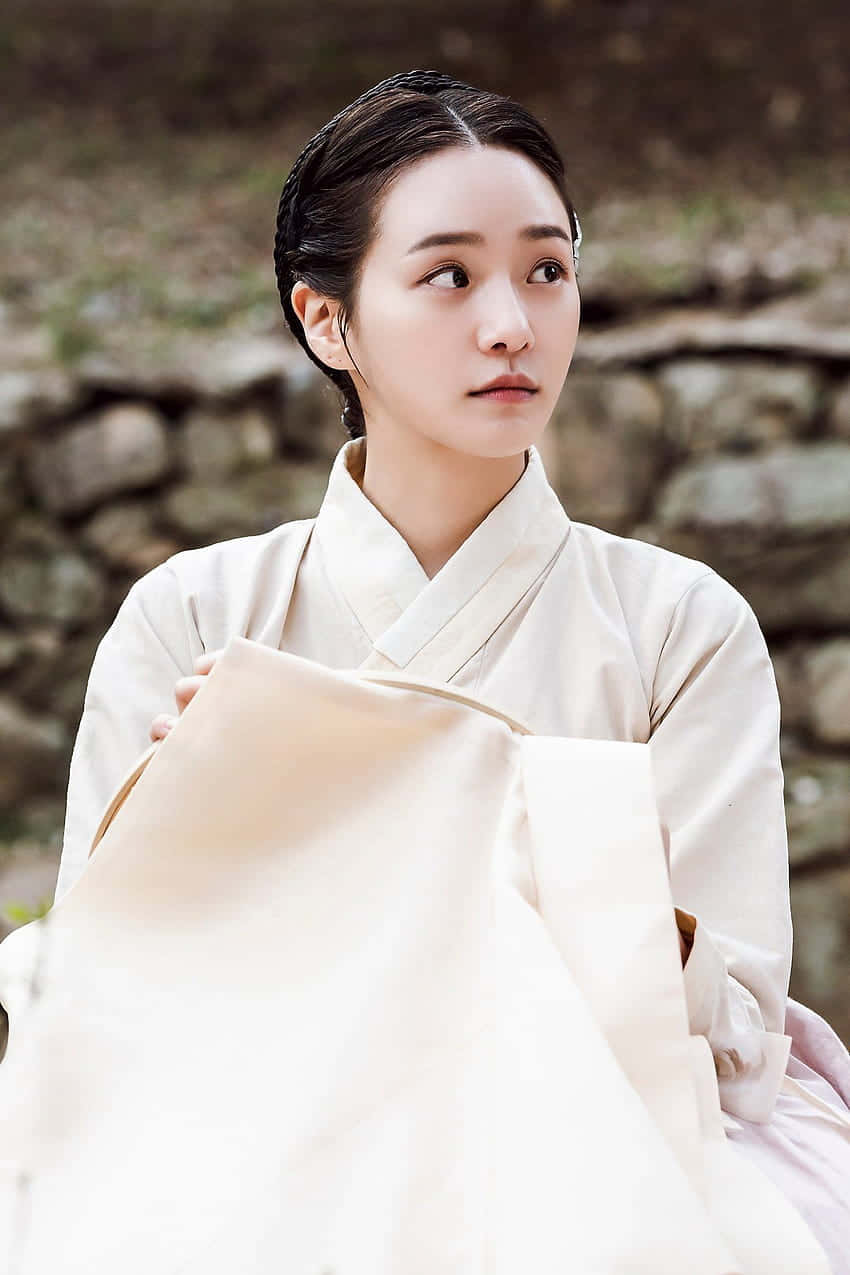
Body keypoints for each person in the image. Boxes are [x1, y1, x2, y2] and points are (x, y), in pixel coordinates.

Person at [53, 70, 850, 1270]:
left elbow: (735, 1054)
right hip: (252, 1148)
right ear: (326, 320)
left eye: (546, 269)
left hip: (601, 1160)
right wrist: (186, 822)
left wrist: (421, 803)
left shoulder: (681, 624)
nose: (512, 326)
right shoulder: (193, 615)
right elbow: (101, 1005)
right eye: (446, 277)